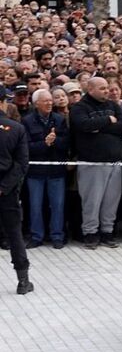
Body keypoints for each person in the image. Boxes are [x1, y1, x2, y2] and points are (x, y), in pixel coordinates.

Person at [69, 77, 122, 249]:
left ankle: (107, 232)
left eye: (107, 88)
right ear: (90, 89)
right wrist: (108, 121)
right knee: (92, 201)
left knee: (111, 200)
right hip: (91, 162)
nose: (106, 91)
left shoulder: (113, 106)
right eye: (102, 88)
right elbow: (84, 125)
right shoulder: (80, 107)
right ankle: (90, 233)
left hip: (114, 162)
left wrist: (99, 127)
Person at [22, 89, 69, 249]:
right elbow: (26, 147)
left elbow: (67, 143)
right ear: (36, 104)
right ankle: (36, 236)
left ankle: (57, 236)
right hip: (35, 173)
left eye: (50, 100)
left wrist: (55, 141)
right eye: (45, 101)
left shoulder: (59, 119)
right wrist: (44, 143)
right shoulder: (27, 121)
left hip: (56, 171)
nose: (50, 103)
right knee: (35, 205)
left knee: (57, 205)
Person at [0, 91, 33, 294]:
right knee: (14, 234)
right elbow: (21, 163)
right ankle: (23, 281)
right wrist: (4, 187)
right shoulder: (16, 128)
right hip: (7, 190)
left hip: (6, 188)